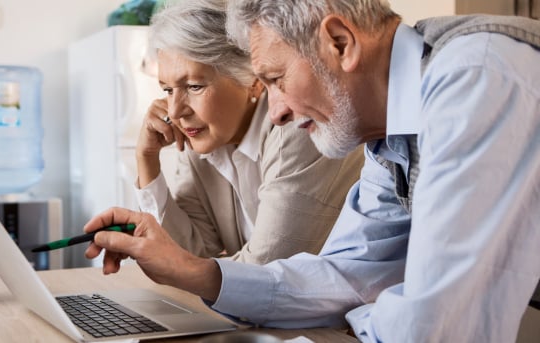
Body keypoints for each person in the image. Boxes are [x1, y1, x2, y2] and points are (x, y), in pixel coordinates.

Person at [84, 0, 540, 342]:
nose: (276, 111)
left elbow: (437, 324)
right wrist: (197, 273)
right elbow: (346, 275)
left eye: (277, 80)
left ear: (340, 43)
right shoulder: (388, 132)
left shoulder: (475, 78)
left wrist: (360, 316)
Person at [134, 0, 363, 264]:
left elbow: (266, 269)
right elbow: (185, 256)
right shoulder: (203, 139)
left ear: (253, 80)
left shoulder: (295, 126)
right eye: (167, 90)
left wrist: (184, 267)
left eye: (194, 86)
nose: (175, 112)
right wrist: (147, 160)